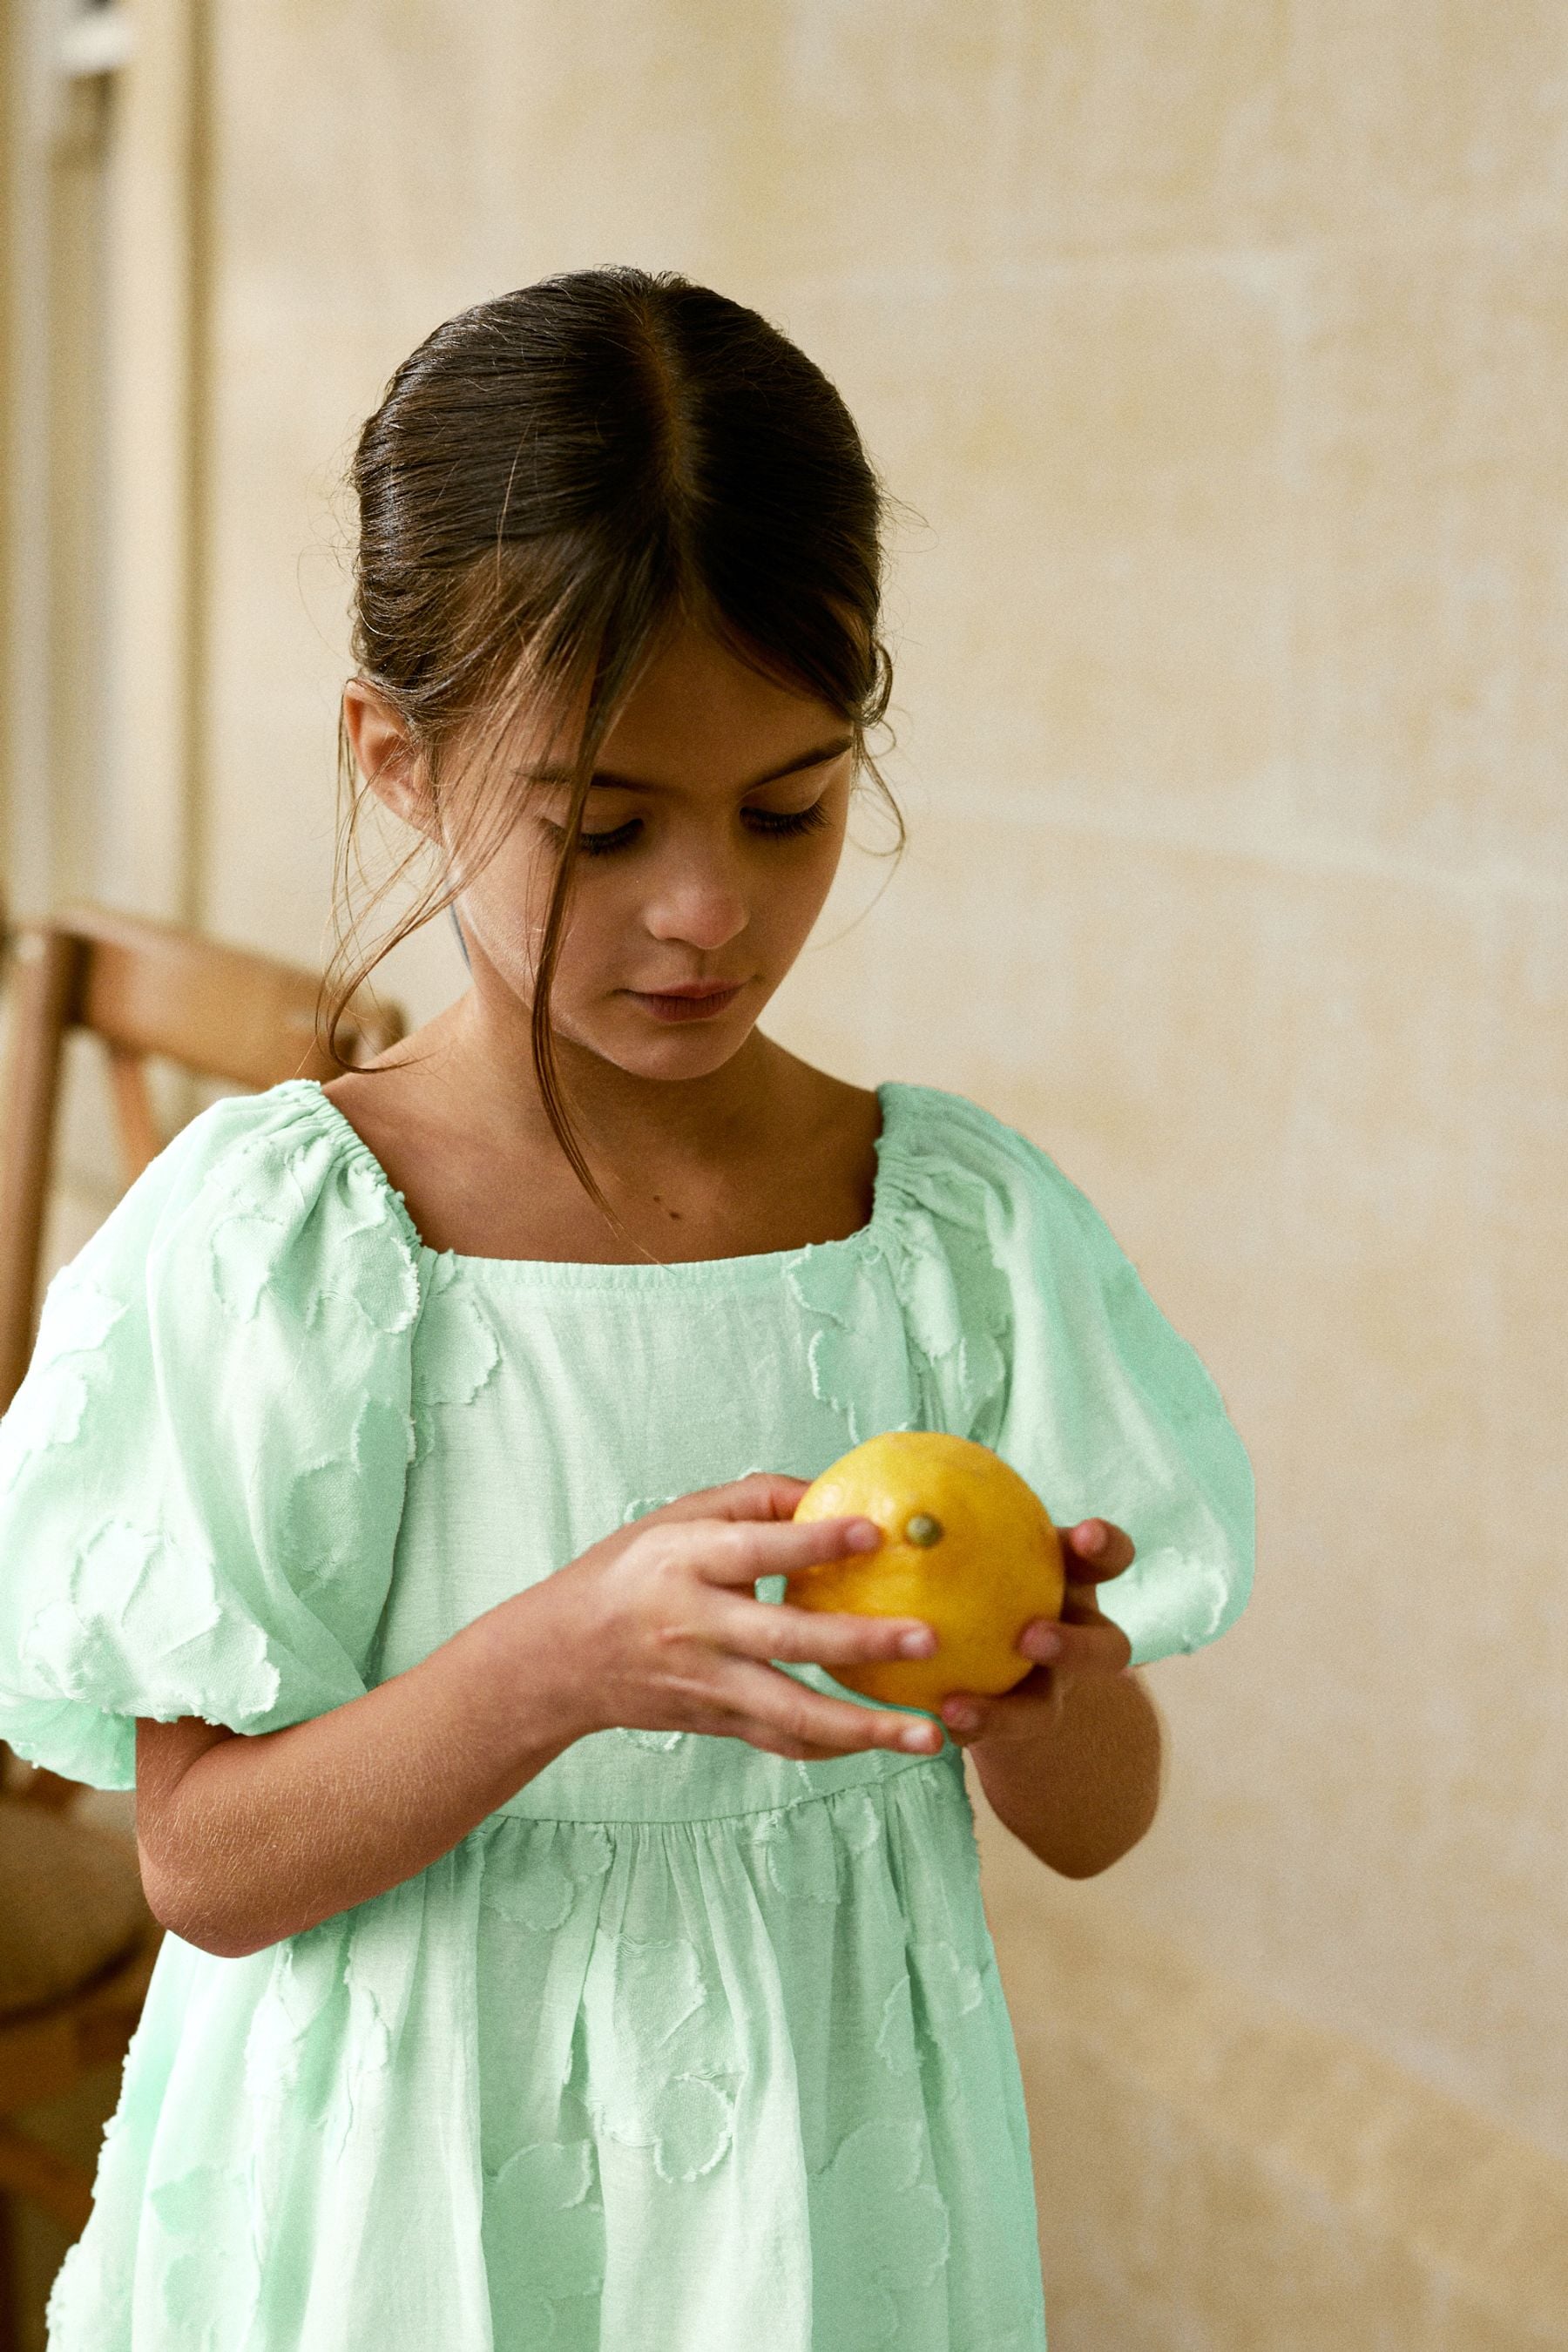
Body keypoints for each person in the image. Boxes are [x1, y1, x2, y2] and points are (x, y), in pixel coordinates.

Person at [0, 267, 1254, 2352]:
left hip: (821, 2198)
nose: (711, 911)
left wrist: (1047, 1697)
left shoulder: (942, 1227)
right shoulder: (302, 1234)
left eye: (791, 807)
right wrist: (557, 1664)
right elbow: (204, 1866)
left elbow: (1102, 1824)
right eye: (602, 826)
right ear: (397, 763)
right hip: (396, 2191)